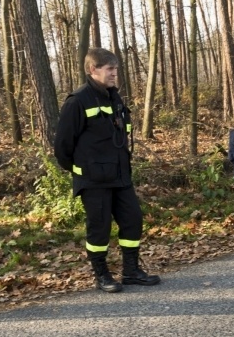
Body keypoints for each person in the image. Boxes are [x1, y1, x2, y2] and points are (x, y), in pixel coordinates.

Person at [54, 48, 160, 293]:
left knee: (132, 220)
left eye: (116, 69)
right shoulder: (78, 101)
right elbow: (62, 147)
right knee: (99, 228)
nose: (115, 74)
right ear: (93, 70)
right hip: (93, 180)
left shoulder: (114, 97)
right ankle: (102, 275)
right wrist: (81, 170)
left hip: (121, 176)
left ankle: (131, 271)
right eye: (110, 69)